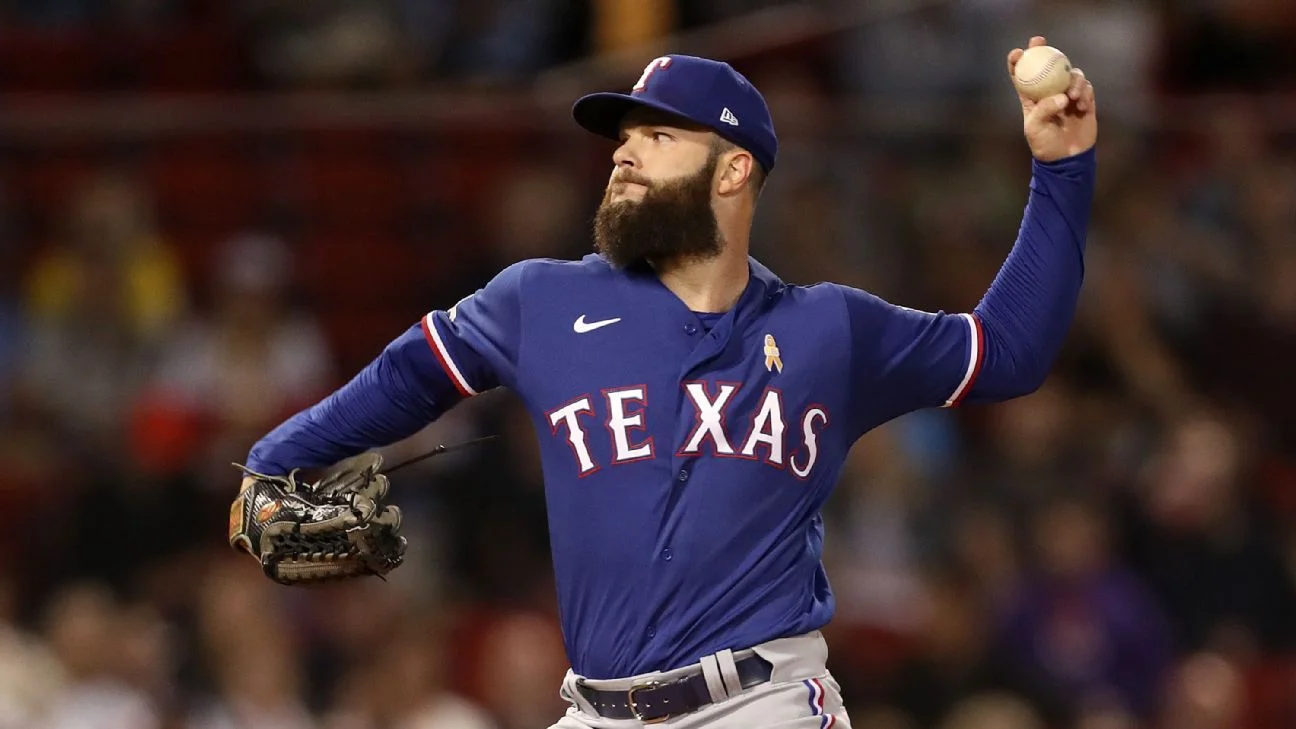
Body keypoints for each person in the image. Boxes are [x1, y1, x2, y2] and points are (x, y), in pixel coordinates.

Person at [233, 36, 1098, 728]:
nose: (624, 154)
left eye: (659, 136)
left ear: (733, 170)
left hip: (759, 701)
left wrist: (1061, 167)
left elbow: (1007, 350)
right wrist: (270, 461)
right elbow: (407, 376)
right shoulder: (540, 302)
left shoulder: (828, 330)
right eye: (623, 138)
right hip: (594, 708)